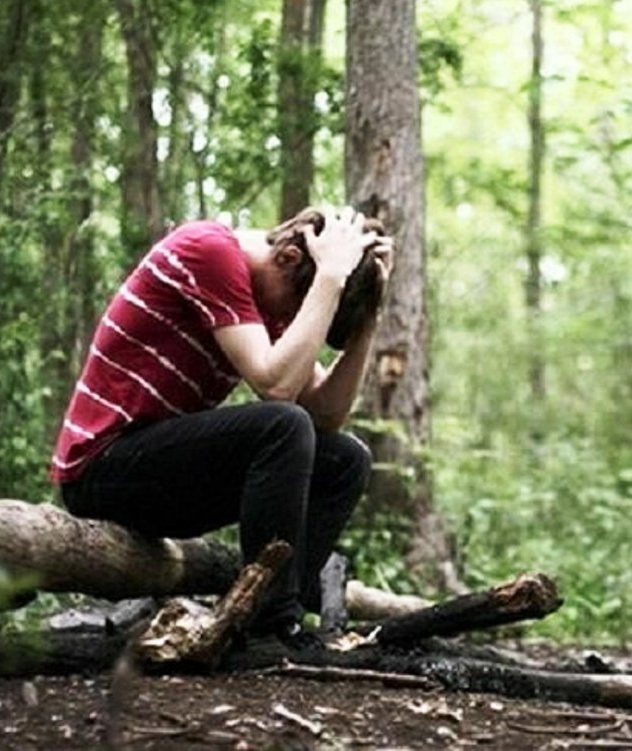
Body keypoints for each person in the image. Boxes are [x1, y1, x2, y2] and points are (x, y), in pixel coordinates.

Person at [50, 204, 392, 652]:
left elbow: (326, 415)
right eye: (302, 299)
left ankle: (276, 612)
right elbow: (276, 384)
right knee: (283, 425)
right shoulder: (210, 251)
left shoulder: (274, 297)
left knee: (345, 459)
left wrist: (368, 314)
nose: (298, 315)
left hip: (162, 481)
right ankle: (271, 626)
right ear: (289, 258)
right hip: (99, 471)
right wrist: (328, 278)